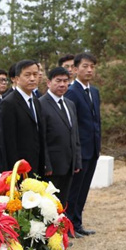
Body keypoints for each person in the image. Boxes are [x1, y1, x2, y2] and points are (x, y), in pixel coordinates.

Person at [64, 53, 101, 236]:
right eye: (85, 66)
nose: (89, 70)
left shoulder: (94, 91)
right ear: (75, 69)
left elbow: (96, 121)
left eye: (92, 66)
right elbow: (72, 125)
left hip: (93, 148)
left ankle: (77, 224)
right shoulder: (72, 92)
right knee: (74, 191)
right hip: (80, 150)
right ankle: (69, 226)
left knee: (84, 189)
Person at [0, 59, 51, 177]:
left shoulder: (36, 101)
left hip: (37, 165)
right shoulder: (9, 103)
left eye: (35, 74)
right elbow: (9, 141)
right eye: (27, 75)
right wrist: (15, 171)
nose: (32, 78)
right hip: (20, 168)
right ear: (17, 79)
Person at [39, 67, 82, 208]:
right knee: (49, 204)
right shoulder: (41, 104)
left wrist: (77, 160)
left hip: (69, 163)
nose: (62, 84)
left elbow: (74, 134)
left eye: (66, 81)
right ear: (48, 82)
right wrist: (46, 163)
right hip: (52, 166)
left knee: (63, 202)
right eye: (58, 81)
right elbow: (42, 137)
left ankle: (63, 229)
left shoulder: (70, 104)